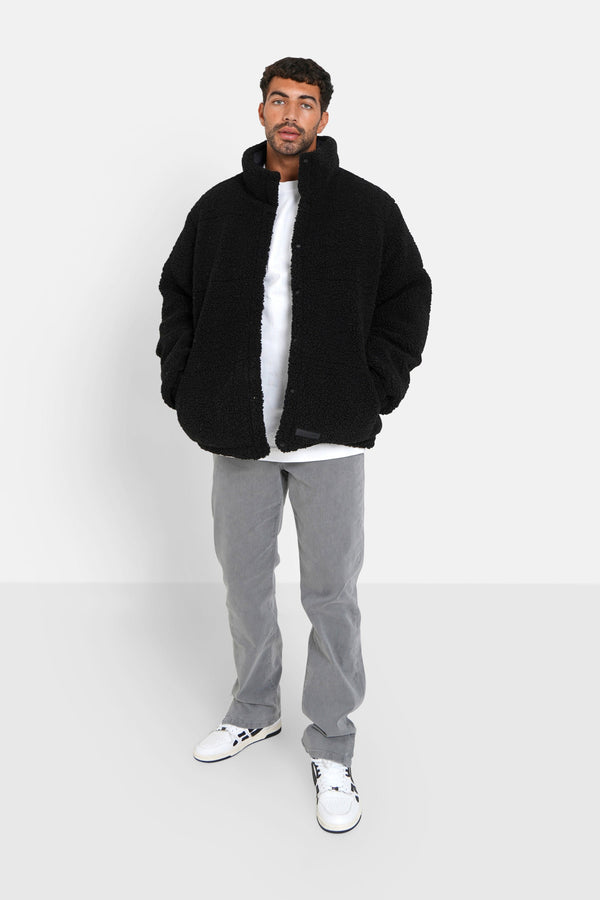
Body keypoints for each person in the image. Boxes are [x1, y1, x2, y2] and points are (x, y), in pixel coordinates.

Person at [156, 56, 432, 833]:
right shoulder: (219, 208)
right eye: (278, 100)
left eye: (305, 103)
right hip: (238, 431)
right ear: (261, 112)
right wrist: (184, 383)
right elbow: (177, 296)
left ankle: (332, 742)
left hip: (329, 435)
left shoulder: (366, 208)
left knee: (331, 595)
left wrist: (376, 386)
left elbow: (408, 296)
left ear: (323, 118)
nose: (290, 114)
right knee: (244, 581)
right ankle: (255, 708)